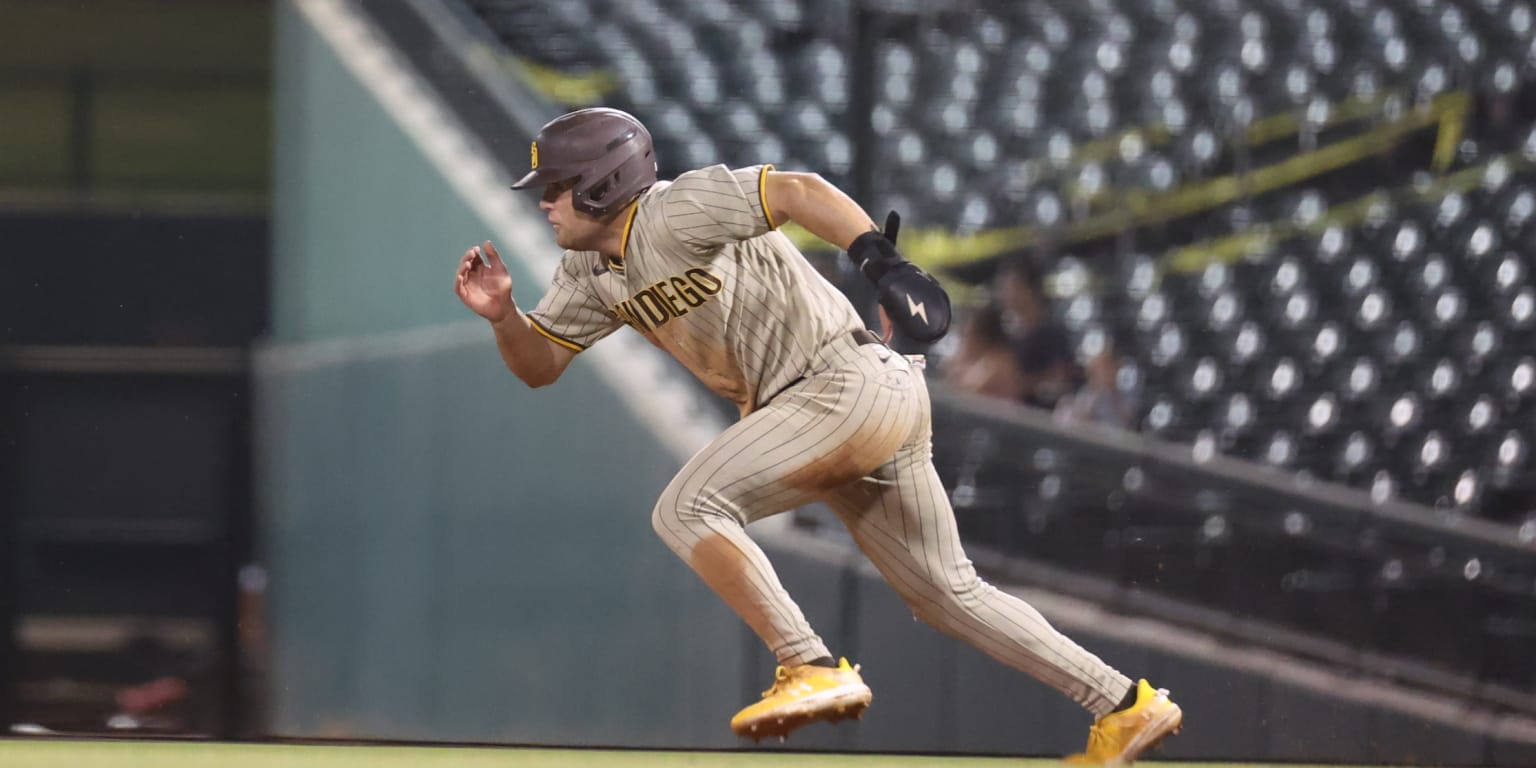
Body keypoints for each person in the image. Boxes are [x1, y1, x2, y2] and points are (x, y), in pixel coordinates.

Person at [452, 107, 1182, 764]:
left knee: (687, 508)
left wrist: (880, 258)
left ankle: (809, 664)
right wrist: (504, 318)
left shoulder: (675, 210)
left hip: (838, 385)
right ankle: (1124, 705)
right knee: (947, 593)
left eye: (555, 185)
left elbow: (796, 190)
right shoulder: (586, 270)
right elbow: (541, 366)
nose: (543, 200)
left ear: (602, 184)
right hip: (848, 402)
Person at [996, 257, 1079, 409]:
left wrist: (1020, 384)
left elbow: (1060, 381)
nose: (1005, 295)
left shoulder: (1053, 334)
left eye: (1011, 287)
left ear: (1029, 289)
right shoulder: (1006, 334)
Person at [943, 303, 1028, 401]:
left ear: (980, 336)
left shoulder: (999, 363)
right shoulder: (984, 361)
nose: (966, 339)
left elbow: (967, 395)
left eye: (969, 334)